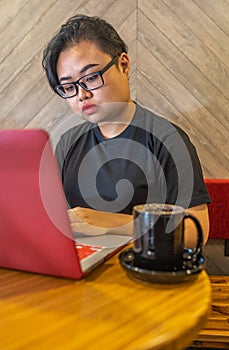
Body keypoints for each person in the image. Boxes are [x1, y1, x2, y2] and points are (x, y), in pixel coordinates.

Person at [42, 14, 210, 247]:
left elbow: (196, 230)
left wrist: (110, 223)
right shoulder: (68, 142)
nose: (82, 95)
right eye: (69, 87)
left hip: (146, 270)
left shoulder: (167, 139)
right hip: (83, 267)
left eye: (91, 77)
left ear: (123, 65)